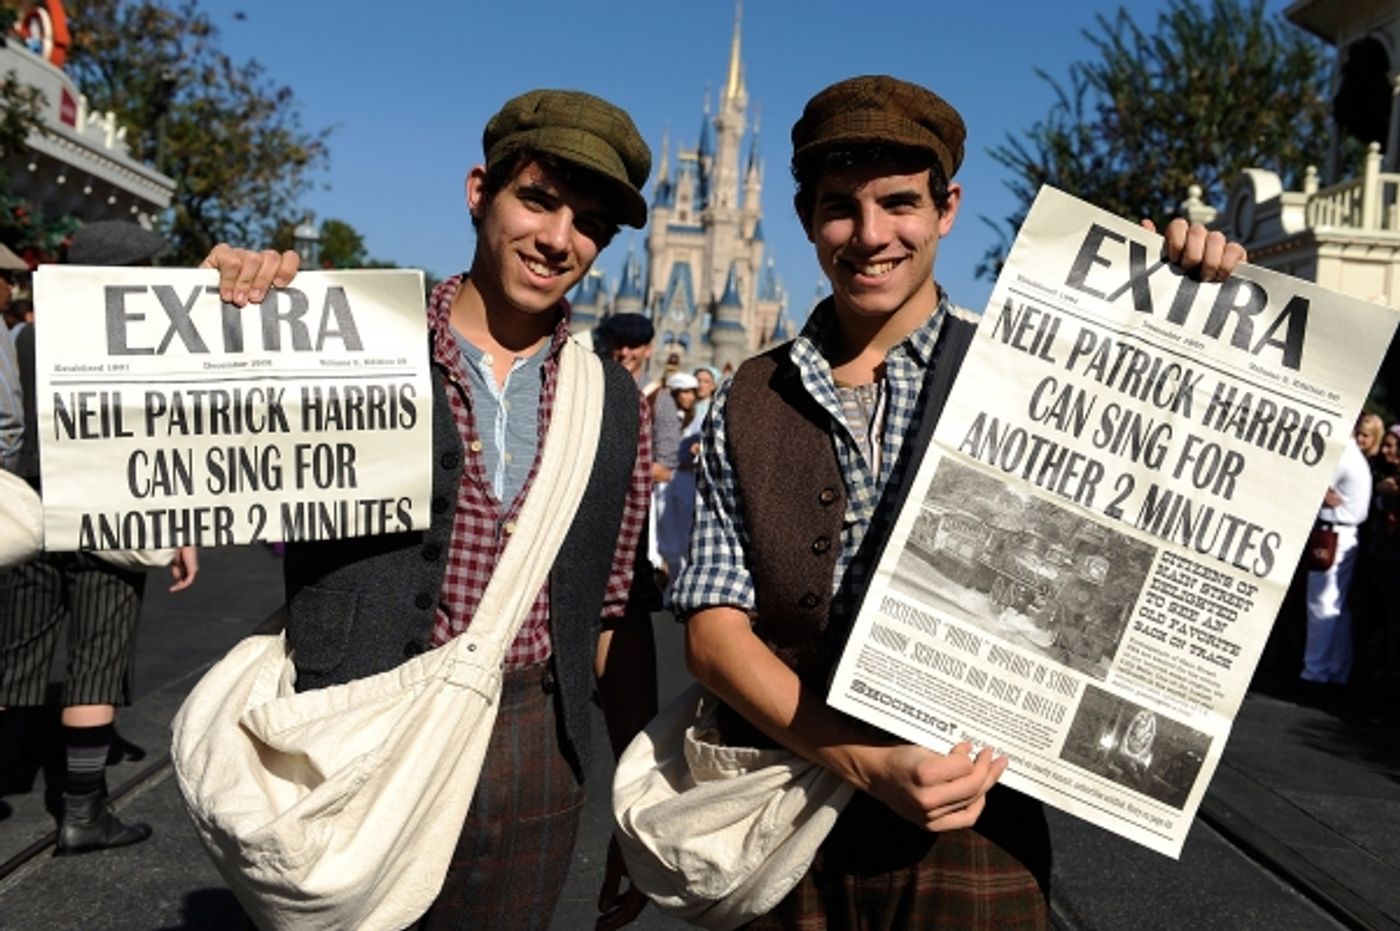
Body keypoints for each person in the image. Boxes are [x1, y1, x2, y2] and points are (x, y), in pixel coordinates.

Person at [671, 74, 1246, 928]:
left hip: (976, 837)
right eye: (840, 208)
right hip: (783, 832)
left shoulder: (1033, 376)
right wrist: (868, 762)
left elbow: (1181, 459)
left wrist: (1193, 297)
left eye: (900, 202)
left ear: (947, 209)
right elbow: (715, 637)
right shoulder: (747, 399)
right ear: (801, 218)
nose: (870, 236)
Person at [205, 88, 659, 931]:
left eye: (590, 221)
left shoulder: (614, 401)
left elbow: (613, 612)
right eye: (539, 199)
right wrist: (221, 315)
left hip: (532, 755)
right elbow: (181, 442)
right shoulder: (341, 347)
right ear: (479, 190)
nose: (560, 239)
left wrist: (637, 813)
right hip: (352, 731)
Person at [0, 221, 199, 856]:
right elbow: (170, 439)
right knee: (97, 660)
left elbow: (7, 425)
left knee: (15, 657)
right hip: (115, 511)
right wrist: (181, 525)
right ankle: (83, 813)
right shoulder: (150, 341)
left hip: (31, 507)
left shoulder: (24, 336)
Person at [1301, 435, 1372, 697]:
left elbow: (1312, 483)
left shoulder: (1343, 455)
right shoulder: (1354, 456)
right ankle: (1335, 669)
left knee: (1322, 604)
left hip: (1333, 533)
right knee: (1336, 607)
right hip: (1342, 531)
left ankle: (1314, 673)